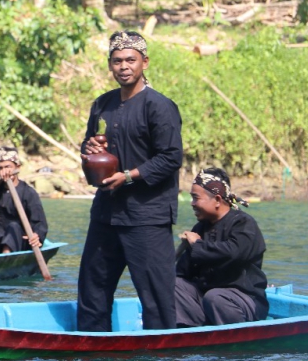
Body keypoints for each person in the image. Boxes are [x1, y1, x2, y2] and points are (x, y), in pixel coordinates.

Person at [77, 30, 183, 332]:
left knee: (156, 298)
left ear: (144, 62)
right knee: (92, 290)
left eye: (130, 60)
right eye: (117, 61)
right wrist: (90, 149)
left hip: (146, 217)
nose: (123, 66)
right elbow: (88, 147)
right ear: (110, 65)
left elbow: (171, 157)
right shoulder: (102, 104)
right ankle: (92, 353)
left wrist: (129, 176)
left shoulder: (159, 106)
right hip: (106, 215)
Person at [175, 168, 269, 326]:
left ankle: (232, 341)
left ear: (217, 200)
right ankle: (190, 333)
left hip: (244, 300)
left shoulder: (244, 224)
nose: (192, 203)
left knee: (215, 297)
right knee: (172, 284)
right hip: (208, 300)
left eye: (195, 198)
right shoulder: (200, 228)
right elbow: (183, 272)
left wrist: (198, 245)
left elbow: (233, 253)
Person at [0, 146, 47, 254]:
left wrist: (37, 235)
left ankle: (6, 256)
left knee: (13, 226)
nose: (4, 171)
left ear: (17, 167)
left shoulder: (28, 193)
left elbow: (39, 223)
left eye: (7, 167)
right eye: (0, 168)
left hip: (16, 243)